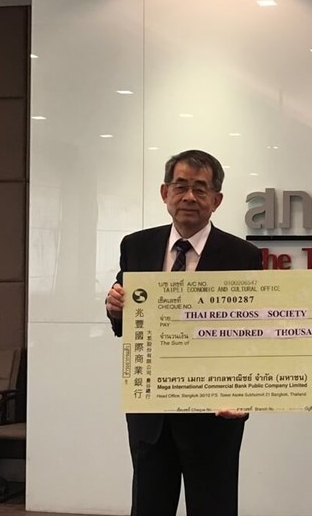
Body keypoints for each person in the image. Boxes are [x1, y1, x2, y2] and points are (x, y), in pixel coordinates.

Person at [105, 149, 262, 516]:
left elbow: (252, 334)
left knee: (214, 507)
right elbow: (128, 321)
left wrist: (244, 392)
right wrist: (115, 308)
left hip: (215, 414)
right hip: (150, 412)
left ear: (217, 200)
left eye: (200, 188)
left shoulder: (243, 256)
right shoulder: (136, 245)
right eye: (181, 186)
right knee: (148, 506)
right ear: (164, 192)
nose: (189, 197)